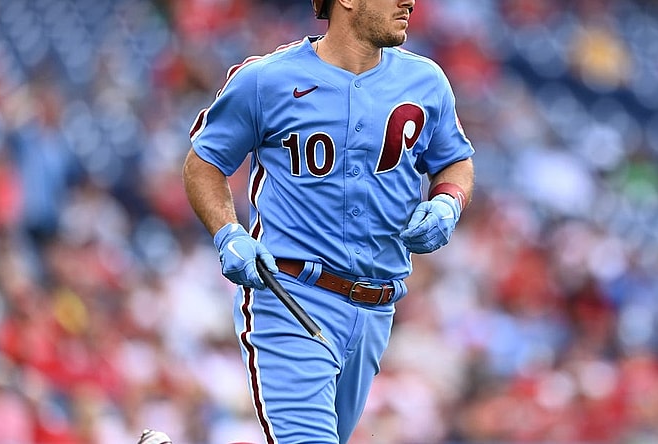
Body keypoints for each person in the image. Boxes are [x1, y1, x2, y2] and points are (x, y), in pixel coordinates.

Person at [181, 0, 474, 442]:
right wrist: (229, 233)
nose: (409, 1)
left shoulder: (426, 81)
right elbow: (204, 162)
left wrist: (448, 201)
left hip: (377, 309)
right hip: (293, 295)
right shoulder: (268, 79)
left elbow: (455, 161)